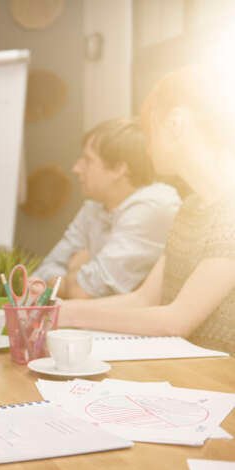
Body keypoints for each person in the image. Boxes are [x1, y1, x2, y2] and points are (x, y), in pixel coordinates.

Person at [60, 64, 235, 354]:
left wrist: (66, 314)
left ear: (176, 124)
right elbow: (144, 300)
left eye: (147, 129)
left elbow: (177, 320)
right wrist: (62, 308)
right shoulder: (192, 208)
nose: (145, 146)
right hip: (190, 376)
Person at [34, 118, 181, 298]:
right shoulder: (94, 206)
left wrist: (75, 267)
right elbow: (41, 276)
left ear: (119, 169)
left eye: (87, 160)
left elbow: (83, 293)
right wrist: (76, 278)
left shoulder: (153, 206)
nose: (76, 168)